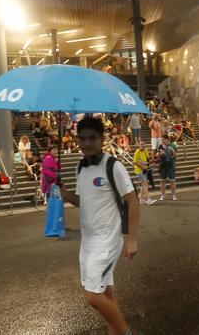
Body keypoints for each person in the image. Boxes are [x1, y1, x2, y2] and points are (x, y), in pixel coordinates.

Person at [59, 117, 140, 335]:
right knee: (106, 295)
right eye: (82, 139)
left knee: (92, 296)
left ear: (102, 139)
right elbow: (84, 201)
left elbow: (133, 200)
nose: (86, 143)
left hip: (108, 241)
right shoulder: (80, 168)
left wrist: (131, 239)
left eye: (92, 138)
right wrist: (66, 195)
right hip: (88, 243)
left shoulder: (113, 166)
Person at [156, 135, 178, 201]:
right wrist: (160, 153)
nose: (162, 141)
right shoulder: (160, 146)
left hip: (171, 165)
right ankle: (162, 195)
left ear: (167, 139)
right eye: (161, 139)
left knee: (172, 180)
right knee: (162, 181)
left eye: (163, 139)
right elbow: (157, 155)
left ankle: (174, 195)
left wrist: (172, 150)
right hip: (163, 166)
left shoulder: (173, 145)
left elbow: (176, 155)